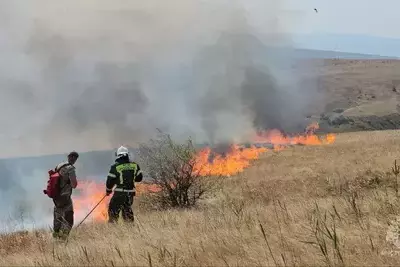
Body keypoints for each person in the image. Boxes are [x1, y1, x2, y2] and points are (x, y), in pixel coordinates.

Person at [106, 146, 143, 223]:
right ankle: (129, 230)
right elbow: (139, 178)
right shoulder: (135, 165)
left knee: (113, 211)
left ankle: (112, 231)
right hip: (130, 193)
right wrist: (131, 178)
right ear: (127, 155)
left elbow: (110, 181)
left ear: (118, 155)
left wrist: (108, 190)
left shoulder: (115, 167)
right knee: (127, 211)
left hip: (120, 193)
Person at [52, 151, 79, 240]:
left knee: (58, 218)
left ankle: (55, 238)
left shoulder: (59, 166)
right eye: (74, 158)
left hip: (56, 197)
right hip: (65, 197)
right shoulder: (70, 169)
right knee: (69, 219)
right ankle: (63, 239)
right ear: (74, 159)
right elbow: (74, 185)